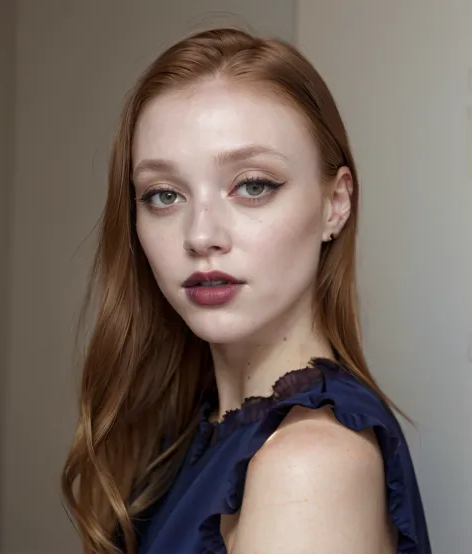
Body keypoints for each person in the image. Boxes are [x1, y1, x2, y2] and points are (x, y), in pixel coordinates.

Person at [61, 27, 431, 554]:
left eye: (253, 185)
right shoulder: (187, 439)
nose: (201, 236)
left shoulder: (307, 467)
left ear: (336, 203)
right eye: (164, 194)